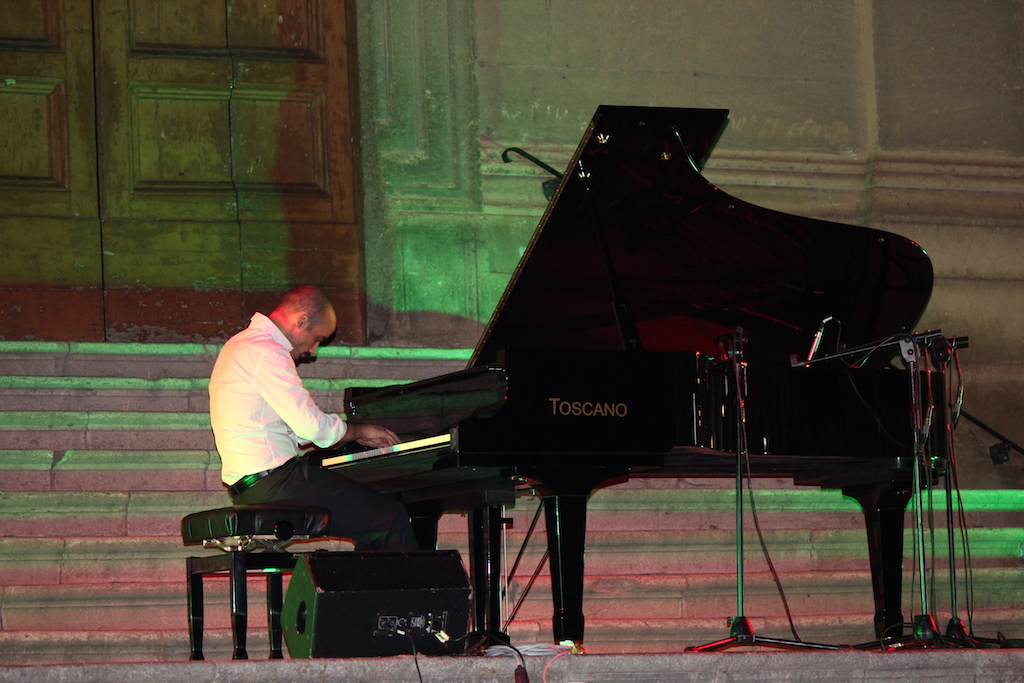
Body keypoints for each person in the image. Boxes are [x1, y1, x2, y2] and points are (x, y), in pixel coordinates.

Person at [209, 284, 418, 550]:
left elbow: (293, 431)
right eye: (318, 338)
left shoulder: (240, 345)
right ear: (302, 321)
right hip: (277, 484)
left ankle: (362, 577)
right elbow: (311, 429)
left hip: (253, 487)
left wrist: (340, 436)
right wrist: (360, 431)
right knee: (389, 517)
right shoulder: (267, 351)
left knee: (374, 511)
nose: (314, 350)